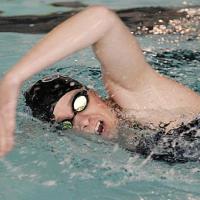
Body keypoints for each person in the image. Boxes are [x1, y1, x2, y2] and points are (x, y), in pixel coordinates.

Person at [0, 6, 200, 157]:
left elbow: (102, 20)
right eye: (67, 124)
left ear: (93, 92)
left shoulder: (138, 98)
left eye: (79, 104)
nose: (82, 121)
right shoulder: (122, 140)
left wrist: (13, 79)